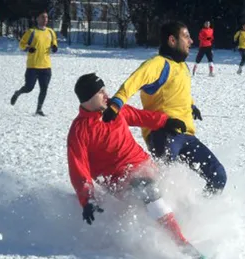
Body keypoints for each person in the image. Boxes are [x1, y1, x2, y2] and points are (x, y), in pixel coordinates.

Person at [67, 73, 205, 259]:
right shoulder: (79, 130)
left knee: (174, 187)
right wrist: (87, 199)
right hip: (119, 179)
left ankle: (188, 227)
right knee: (148, 191)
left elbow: (139, 116)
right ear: (88, 98)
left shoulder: (112, 110)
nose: (106, 95)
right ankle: (182, 245)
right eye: (101, 92)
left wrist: (165, 122)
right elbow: (78, 167)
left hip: (144, 164)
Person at [101, 21, 227, 195]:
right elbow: (133, 82)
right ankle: (142, 207)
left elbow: (177, 90)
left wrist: (192, 105)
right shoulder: (158, 64)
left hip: (187, 135)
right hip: (163, 133)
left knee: (218, 176)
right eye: (186, 36)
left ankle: (198, 216)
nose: (191, 41)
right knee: (166, 181)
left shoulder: (182, 66)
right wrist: (116, 105)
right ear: (172, 41)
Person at [10, 10, 58, 116]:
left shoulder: (50, 32)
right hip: (33, 66)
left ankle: (39, 109)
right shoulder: (31, 31)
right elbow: (22, 44)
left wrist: (55, 47)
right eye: (42, 17)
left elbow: (54, 43)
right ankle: (17, 93)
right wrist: (28, 48)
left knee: (44, 88)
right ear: (38, 19)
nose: (45, 19)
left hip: (46, 66)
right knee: (29, 88)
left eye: (46, 17)